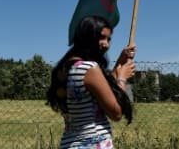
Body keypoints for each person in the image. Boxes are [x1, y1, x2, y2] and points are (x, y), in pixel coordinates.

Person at [46, 15, 136, 149]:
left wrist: (119, 61)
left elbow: (98, 89)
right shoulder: (89, 69)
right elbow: (116, 113)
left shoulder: (67, 67)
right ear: (87, 37)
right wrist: (122, 78)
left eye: (108, 39)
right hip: (93, 143)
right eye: (101, 37)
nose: (106, 44)